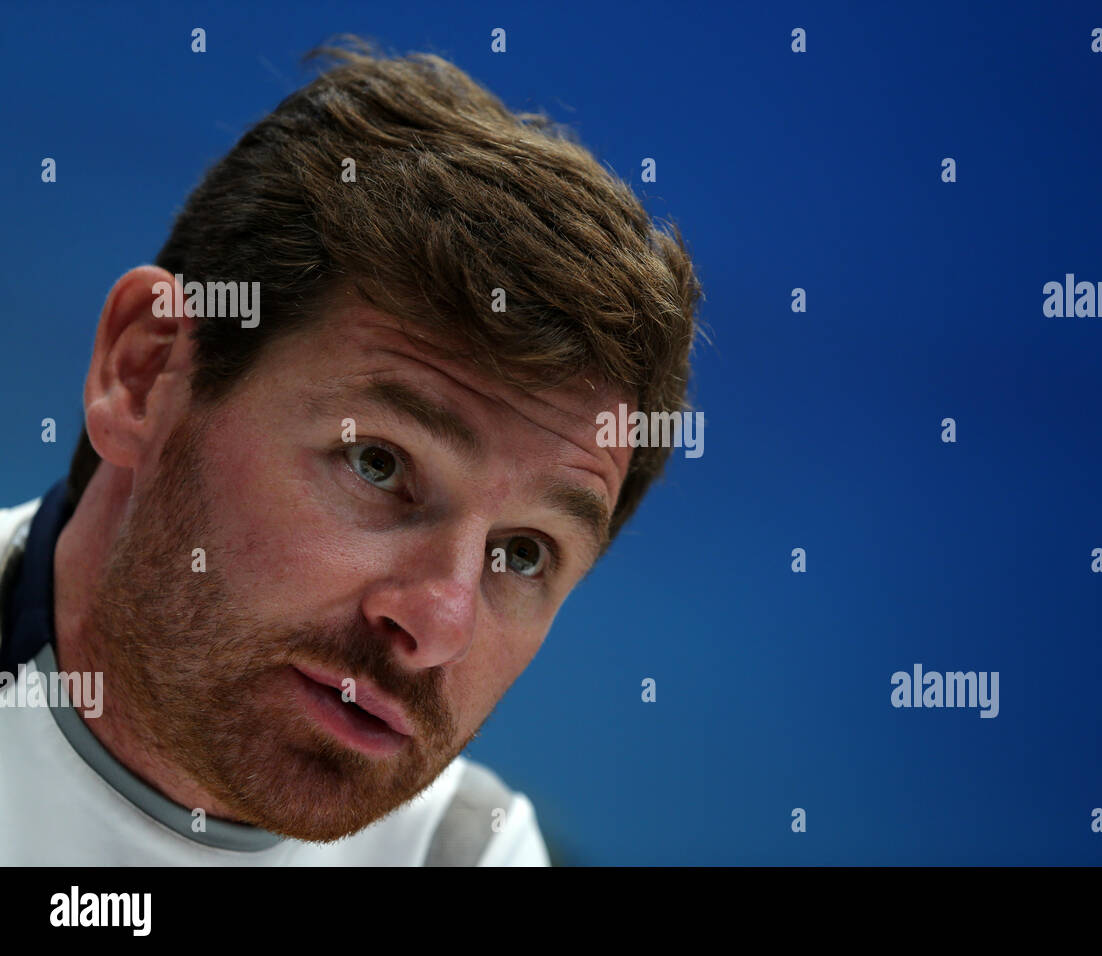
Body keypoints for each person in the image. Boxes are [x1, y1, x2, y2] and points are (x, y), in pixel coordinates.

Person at [0, 38, 701, 865]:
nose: (437, 623)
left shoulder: (467, 853)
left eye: (521, 552)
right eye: (378, 464)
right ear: (145, 371)